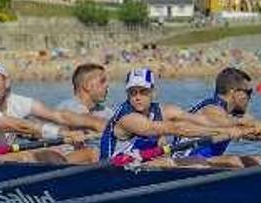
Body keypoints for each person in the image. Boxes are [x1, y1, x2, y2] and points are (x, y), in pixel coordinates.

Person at [99, 68, 250, 161]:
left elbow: (202, 120)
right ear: (127, 93)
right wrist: (225, 132)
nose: (137, 97)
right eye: (133, 92)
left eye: (143, 92)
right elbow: (177, 129)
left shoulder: (165, 110)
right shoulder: (128, 119)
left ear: (153, 92)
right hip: (113, 172)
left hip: (139, 166)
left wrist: (241, 126)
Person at [0, 62, 104, 161]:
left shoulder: (19, 102)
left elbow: (57, 115)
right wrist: (65, 133)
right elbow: (21, 126)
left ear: (7, 82)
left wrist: (98, 124)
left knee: (50, 156)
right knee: (26, 156)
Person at [182, 67, 261, 159]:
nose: (250, 98)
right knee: (234, 161)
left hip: (204, 163)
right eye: (248, 92)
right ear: (233, 91)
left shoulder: (234, 113)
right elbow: (227, 124)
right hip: (184, 161)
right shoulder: (211, 109)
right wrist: (250, 125)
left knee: (259, 160)